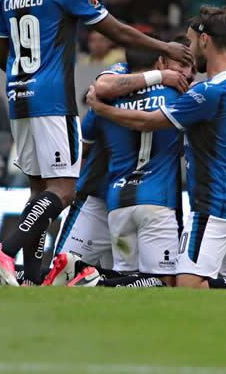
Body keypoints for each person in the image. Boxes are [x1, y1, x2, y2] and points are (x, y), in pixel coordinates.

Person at [0, 0, 193, 287]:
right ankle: (4, 251)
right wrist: (164, 46)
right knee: (64, 190)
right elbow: (114, 29)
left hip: (16, 96)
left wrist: (24, 73)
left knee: (38, 192)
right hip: (52, 100)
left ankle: (32, 279)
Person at [84, 6, 226, 289]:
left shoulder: (205, 93)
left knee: (186, 286)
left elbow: (149, 122)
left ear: (205, 40)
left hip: (212, 204)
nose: (186, 51)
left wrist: (101, 109)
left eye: (189, 42)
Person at [45, 40, 193, 288]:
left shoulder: (106, 101)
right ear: (162, 62)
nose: (186, 74)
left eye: (192, 69)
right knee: (159, 282)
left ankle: (97, 285)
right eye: (181, 65)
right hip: (110, 198)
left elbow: (84, 139)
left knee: (123, 277)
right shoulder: (174, 95)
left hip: (118, 199)